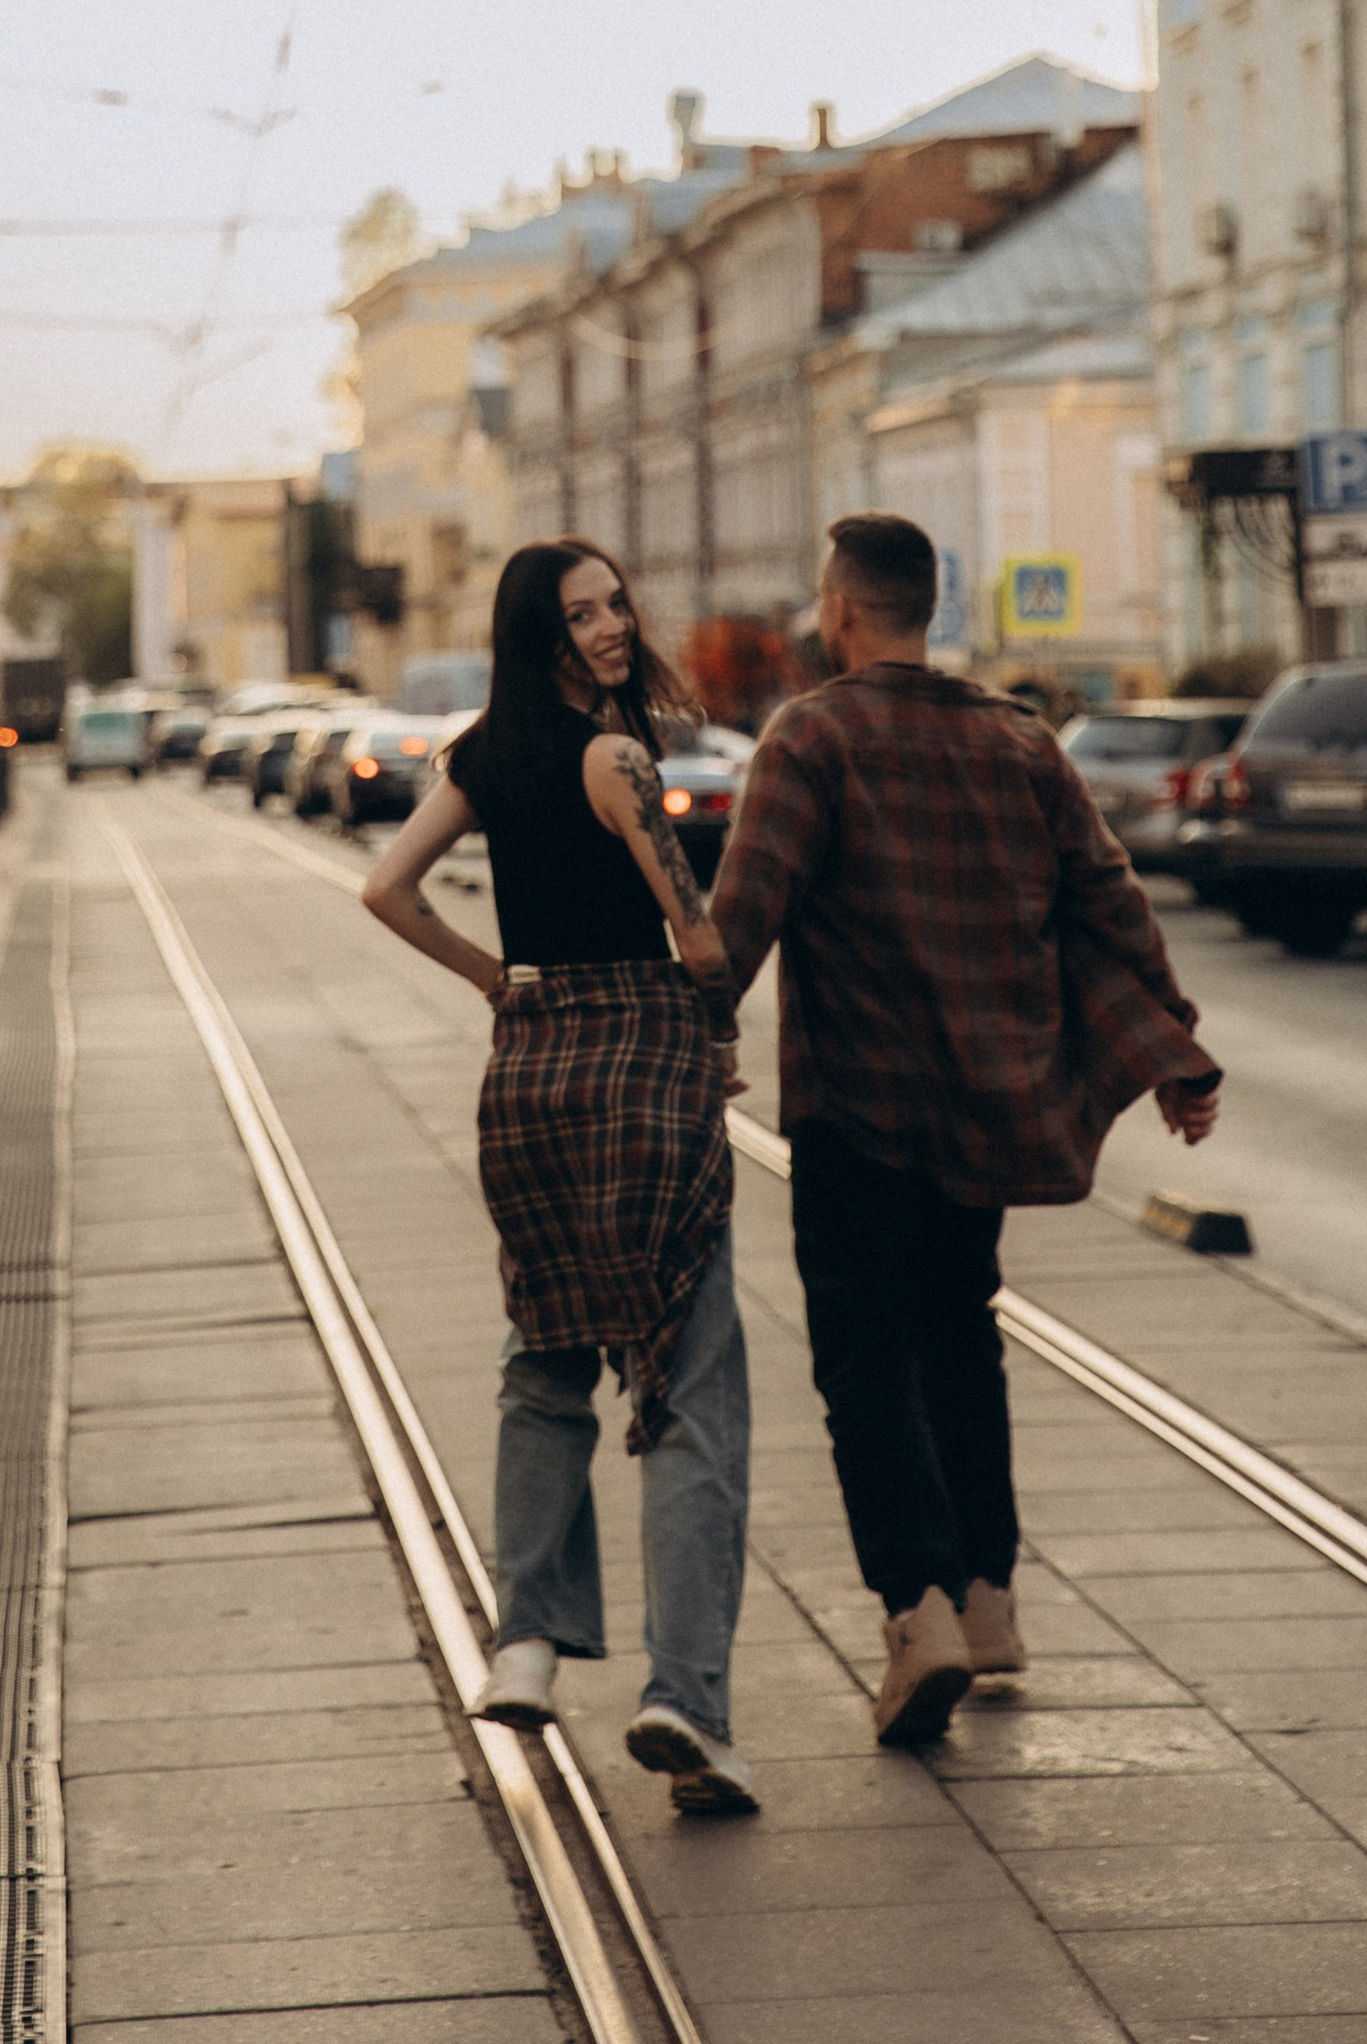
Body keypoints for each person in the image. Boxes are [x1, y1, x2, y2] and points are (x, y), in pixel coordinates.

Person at [711, 512, 1221, 1751]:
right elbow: (1109, 900)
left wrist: (678, 1038)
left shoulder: (810, 735)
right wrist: (1174, 1044)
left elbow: (741, 920)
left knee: (862, 1360)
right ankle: (988, 1601)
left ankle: (916, 1613)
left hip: (857, 1106)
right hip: (987, 1104)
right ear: (929, 611)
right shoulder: (1019, 742)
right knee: (959, 1333)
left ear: (838, 610)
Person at [361, 538, 757, 1815]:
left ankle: (526, 1641)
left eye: (615, 605)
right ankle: (683, 1700)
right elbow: (693, 934)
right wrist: (720, 1024)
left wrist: (494, 981)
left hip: (527, 1078)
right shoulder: (619, 760)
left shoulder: (480, 755)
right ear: (545, 638)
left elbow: (385, 887)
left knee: (543, 1365)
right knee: (688, 1386)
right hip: (640, 1066)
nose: (610, 629)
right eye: (581, 615)